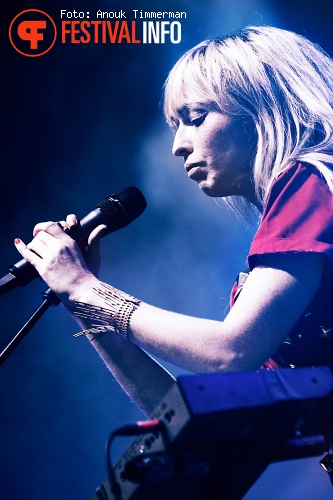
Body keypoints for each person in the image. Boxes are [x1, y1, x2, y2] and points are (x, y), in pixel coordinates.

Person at [14, 26, 333, 417]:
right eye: (174, 125)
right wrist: (82, 301)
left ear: (262, 108)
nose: (179, 145)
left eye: (195, 118)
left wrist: (88, 288)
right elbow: (202, 418)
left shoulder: (312, 178)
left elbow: (228, 352)